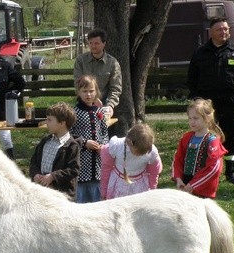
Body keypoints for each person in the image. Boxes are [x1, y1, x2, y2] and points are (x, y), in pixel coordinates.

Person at [187, 17, 234, 184]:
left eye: (226, 29)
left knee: (231, 137)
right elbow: (191, 78)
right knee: (205, 137)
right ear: (211, 32)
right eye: (219, 29)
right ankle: (205, 171)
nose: (224, 32)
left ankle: (231, 172)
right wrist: (197, 99)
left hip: (231, 103)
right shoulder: (200, 53)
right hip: (207, 106)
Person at [172, 98, 228, 199]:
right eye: (190, 118)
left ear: (207, 118)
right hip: (185, 187)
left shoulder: (213, 141)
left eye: (196, 118)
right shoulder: (186, 138)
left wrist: (193, 185)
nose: (192, 122)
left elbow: (214, 168)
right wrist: (178, 179)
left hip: (204, 191)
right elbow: (177, 159)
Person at [29, 102, 81, 200]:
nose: (46, 122)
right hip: (42, 192)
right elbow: (33, 162)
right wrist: (35, 175)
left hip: (62, 196)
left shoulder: (72, 145)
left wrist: (53, 176)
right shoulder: (45, 141)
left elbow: (74, 169)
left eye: (49, 120)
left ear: (62, 123)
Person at [71, 75, 109, 203]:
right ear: (79, 92)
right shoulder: (75, 112)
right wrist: (84, 142)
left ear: (96, 91)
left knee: (96, 187)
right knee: (82, 189)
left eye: (91, 91)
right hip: (82, 158)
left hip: (97, 158)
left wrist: (103, 146)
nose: (88, 95)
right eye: (85, 91)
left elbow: (104, 131)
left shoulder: (100, 111)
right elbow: (70, 135)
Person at [100, 123, 162, 200]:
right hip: (118, 186)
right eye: (138, 152)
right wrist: (104, 192)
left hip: (140, 187)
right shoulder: (116, 147)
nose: (140, 155)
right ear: (130, 143)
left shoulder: (151, 152)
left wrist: (153, 192)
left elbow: (153, 173)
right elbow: (106, 171)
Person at [73, 28, 122, 118]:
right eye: (90, 43)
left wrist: (110, 106)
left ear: (104, 44)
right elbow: (77, 82)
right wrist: (92, 99)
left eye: (96, 43)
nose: (93, 46)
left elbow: (115, 88)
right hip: (83, 105)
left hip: (104, 105)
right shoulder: (81, 60)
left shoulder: (112, 63)